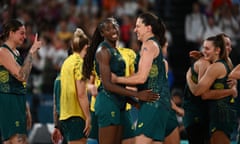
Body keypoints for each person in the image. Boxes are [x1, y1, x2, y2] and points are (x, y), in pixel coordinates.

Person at [82, 17, 159, 144]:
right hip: (107, 103)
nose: (113, 30)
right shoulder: (103, 51)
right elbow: (107, 85)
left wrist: (135, 102)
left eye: (115, 26)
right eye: (108, 29)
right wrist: (136, 94)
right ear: (102, 34)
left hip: (119, 103)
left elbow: (119, 84)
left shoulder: (115, 51)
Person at [112, 12, 172, 144]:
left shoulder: (148, 45)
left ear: (148, 28)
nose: (135, 29)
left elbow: (141, 78)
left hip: (152, 103)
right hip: (161, 103)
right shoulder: (155, 45)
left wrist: (116, 80)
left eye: (138, 26)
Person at [186, 34, 238, 144]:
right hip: (223, 112)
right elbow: (231, 79)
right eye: (225, 44)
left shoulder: (215, 66)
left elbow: (200, 93)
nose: (228, 47)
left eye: (207, 48)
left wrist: (188, 76)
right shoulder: (227, 61)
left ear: (218, 50)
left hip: (220, 114)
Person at [0, 19, 42, 144]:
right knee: (19, 140)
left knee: (15, 141)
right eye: (21, 33)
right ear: (11, 33)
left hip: (18, 99)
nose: (25, 36)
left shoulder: (16, 52)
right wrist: (32, 52)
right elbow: (21, 76)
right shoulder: (3, 52)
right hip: (9, 100)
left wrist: (25, 106)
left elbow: (22, 81)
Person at [59, 28, 91, 144]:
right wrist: (88, 117)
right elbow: (81, 94)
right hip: (76, 115)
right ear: (86, 47)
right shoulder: (80, 63)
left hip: (65, 115)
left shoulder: (66, 62)